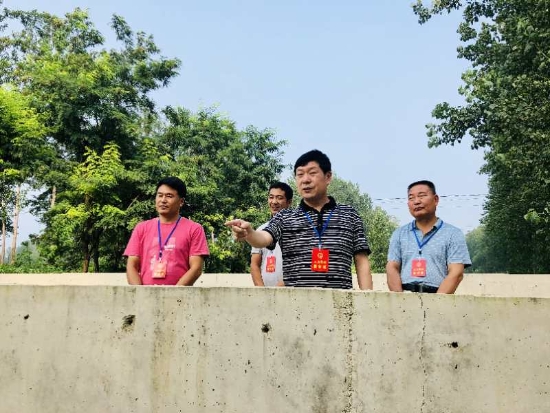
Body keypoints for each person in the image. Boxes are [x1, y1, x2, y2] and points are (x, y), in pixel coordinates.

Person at [226, 149, 372, 290]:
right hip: (294, 304)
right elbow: (263, 238)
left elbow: (361, 260)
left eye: (312, 173)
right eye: (300, 174)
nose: (305, 180)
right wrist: (249, 233)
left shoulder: (349, 215)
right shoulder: (285, 217)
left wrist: (368, 298)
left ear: (328, 177)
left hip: (338, 303)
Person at [386, 180, 471, 294]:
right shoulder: (399, 233)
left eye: (422, 196)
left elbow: (456, 273)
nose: (416, 201)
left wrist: (436, 302)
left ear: (435, 199)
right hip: (405, 296)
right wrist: (400, 300)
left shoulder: (453, 233)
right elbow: (392, 267)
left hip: (439, 296)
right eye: (411, 198)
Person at [124, 176, 209, 286]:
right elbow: (132, 266)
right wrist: (140, 293)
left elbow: (196, 268)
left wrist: (174, 293)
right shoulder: (141, 228)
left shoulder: (194, 229)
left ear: (181, 201)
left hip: (179, 295)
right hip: (145, 294)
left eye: (169, 196)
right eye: (160, 195)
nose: (163, 200)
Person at [250, 182, 293, 287]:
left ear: (289, 202)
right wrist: (262, 291)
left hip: (289, 292)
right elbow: (255, 265)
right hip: (265, 293)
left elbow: (299, 266)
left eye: (279, 198)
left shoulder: (296, 229)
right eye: (271, 197)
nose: (274, 202)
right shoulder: (261, 230)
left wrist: (279, 290)